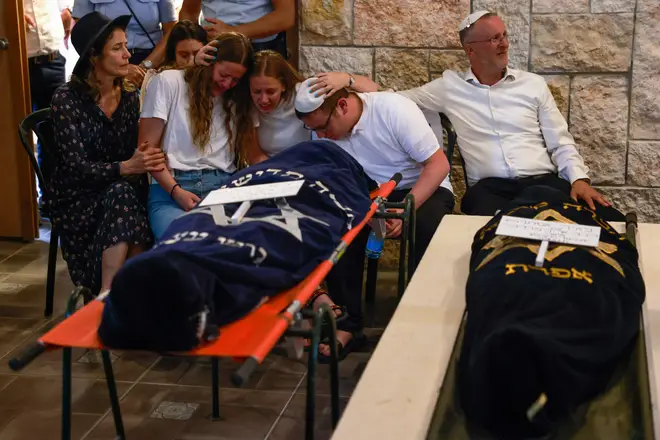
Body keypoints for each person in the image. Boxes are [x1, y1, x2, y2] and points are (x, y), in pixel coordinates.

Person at [310, 10, 613, 219]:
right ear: (471, 50)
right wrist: (347, 82)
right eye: (495, 38)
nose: (504, 43)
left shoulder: (533, 85)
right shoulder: (448, 88)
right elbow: (387, 99)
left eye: (504, 35)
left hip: (544, 183)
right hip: (490, 191)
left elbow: (560, 141)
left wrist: (579, 179)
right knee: (499, 232)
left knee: (604, 221)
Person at [294, 81, 453, 361]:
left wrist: (407, 208)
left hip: (421, 188)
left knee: (427, 229)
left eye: (324, 127)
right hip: (367, 195)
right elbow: (334, 182)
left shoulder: (393, 110)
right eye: (314, 130)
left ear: (342, 106)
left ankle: (423, 320)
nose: (320, 135)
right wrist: (367, 212)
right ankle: (349, 324)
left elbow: (438, 165)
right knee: (336, 230)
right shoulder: (323, 134)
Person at [48, 12, 166, 296]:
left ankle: (113, 294)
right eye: (117, 48)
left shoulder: (129, 95)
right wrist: (125, 167)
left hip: (120, 193)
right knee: (124, 197)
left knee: (128, 196)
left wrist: (142, 163)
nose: (128, 54)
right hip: (80, 201)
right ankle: (116, 292)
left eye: (126, 46)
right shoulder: (66, 99)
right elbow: (76, 167)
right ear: (94, 56)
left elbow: (138, 154)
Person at [140, 32, 254, 240]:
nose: (227, 84)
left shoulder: (237, 98)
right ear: (209, 62)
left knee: (229, 246)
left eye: (236, 79)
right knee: (181, 243)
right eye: (223, 75)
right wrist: (176, 191)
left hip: (221, 188)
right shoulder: (168, 82)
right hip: (172, 189)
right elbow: (146, 150)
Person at [72, 0, 178, 86]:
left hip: (153, 60)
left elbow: (171, 31)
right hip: (107, 62)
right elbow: (83, 35)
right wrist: (118, 71)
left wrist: (145, 67)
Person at [179, 0, 294, 57]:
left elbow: (285, 16)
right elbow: (188, 12)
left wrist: (232, 32)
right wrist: (192, 45)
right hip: (212, 46)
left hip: (260, 49)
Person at [140, 19, 208, 110]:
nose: (191, 61)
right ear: (173, 55)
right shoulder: (160, 81)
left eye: (197, 54)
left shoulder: (215, 79)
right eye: (184, 55)